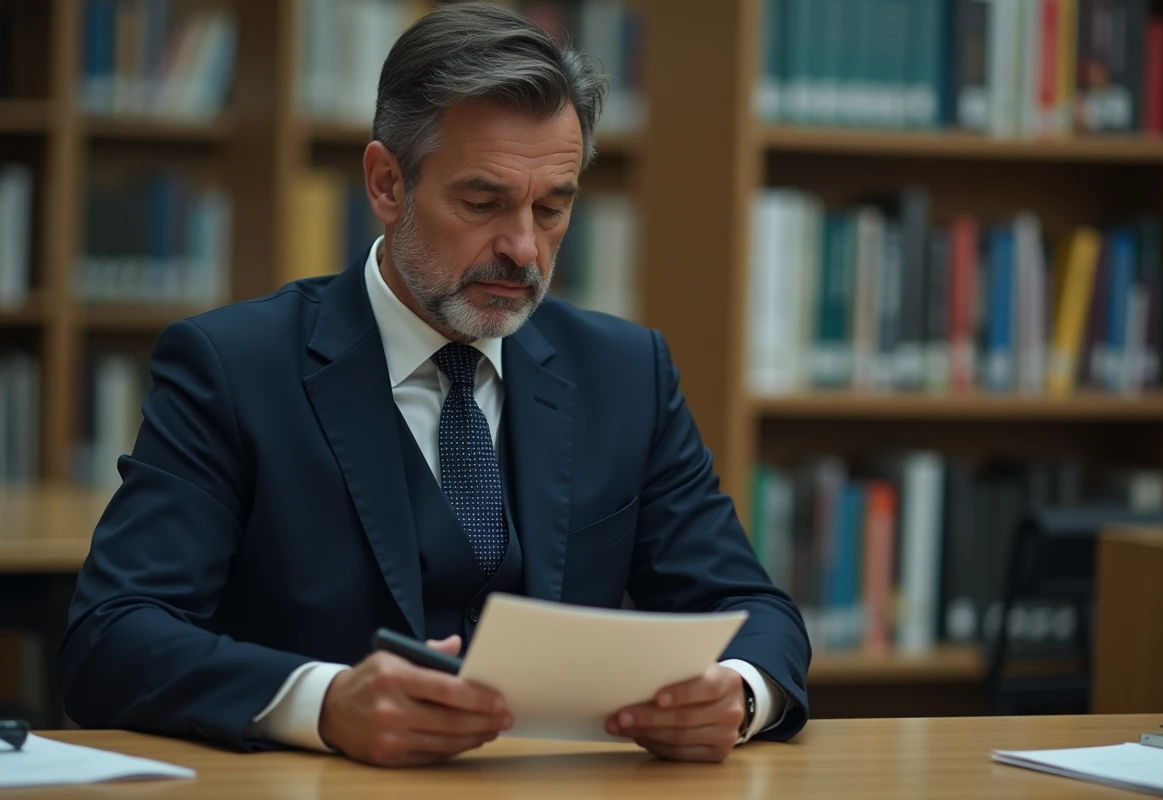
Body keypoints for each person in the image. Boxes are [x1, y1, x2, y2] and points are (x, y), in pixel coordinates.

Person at [56, 2, 811, 768]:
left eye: (553, 208)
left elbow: (752, 608)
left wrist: (737, 692)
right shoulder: (233, 367)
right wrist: (324, 703)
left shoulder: (625, 372)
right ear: (387, 183)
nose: (524, 249)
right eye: (483, 204)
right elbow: (109, 638)